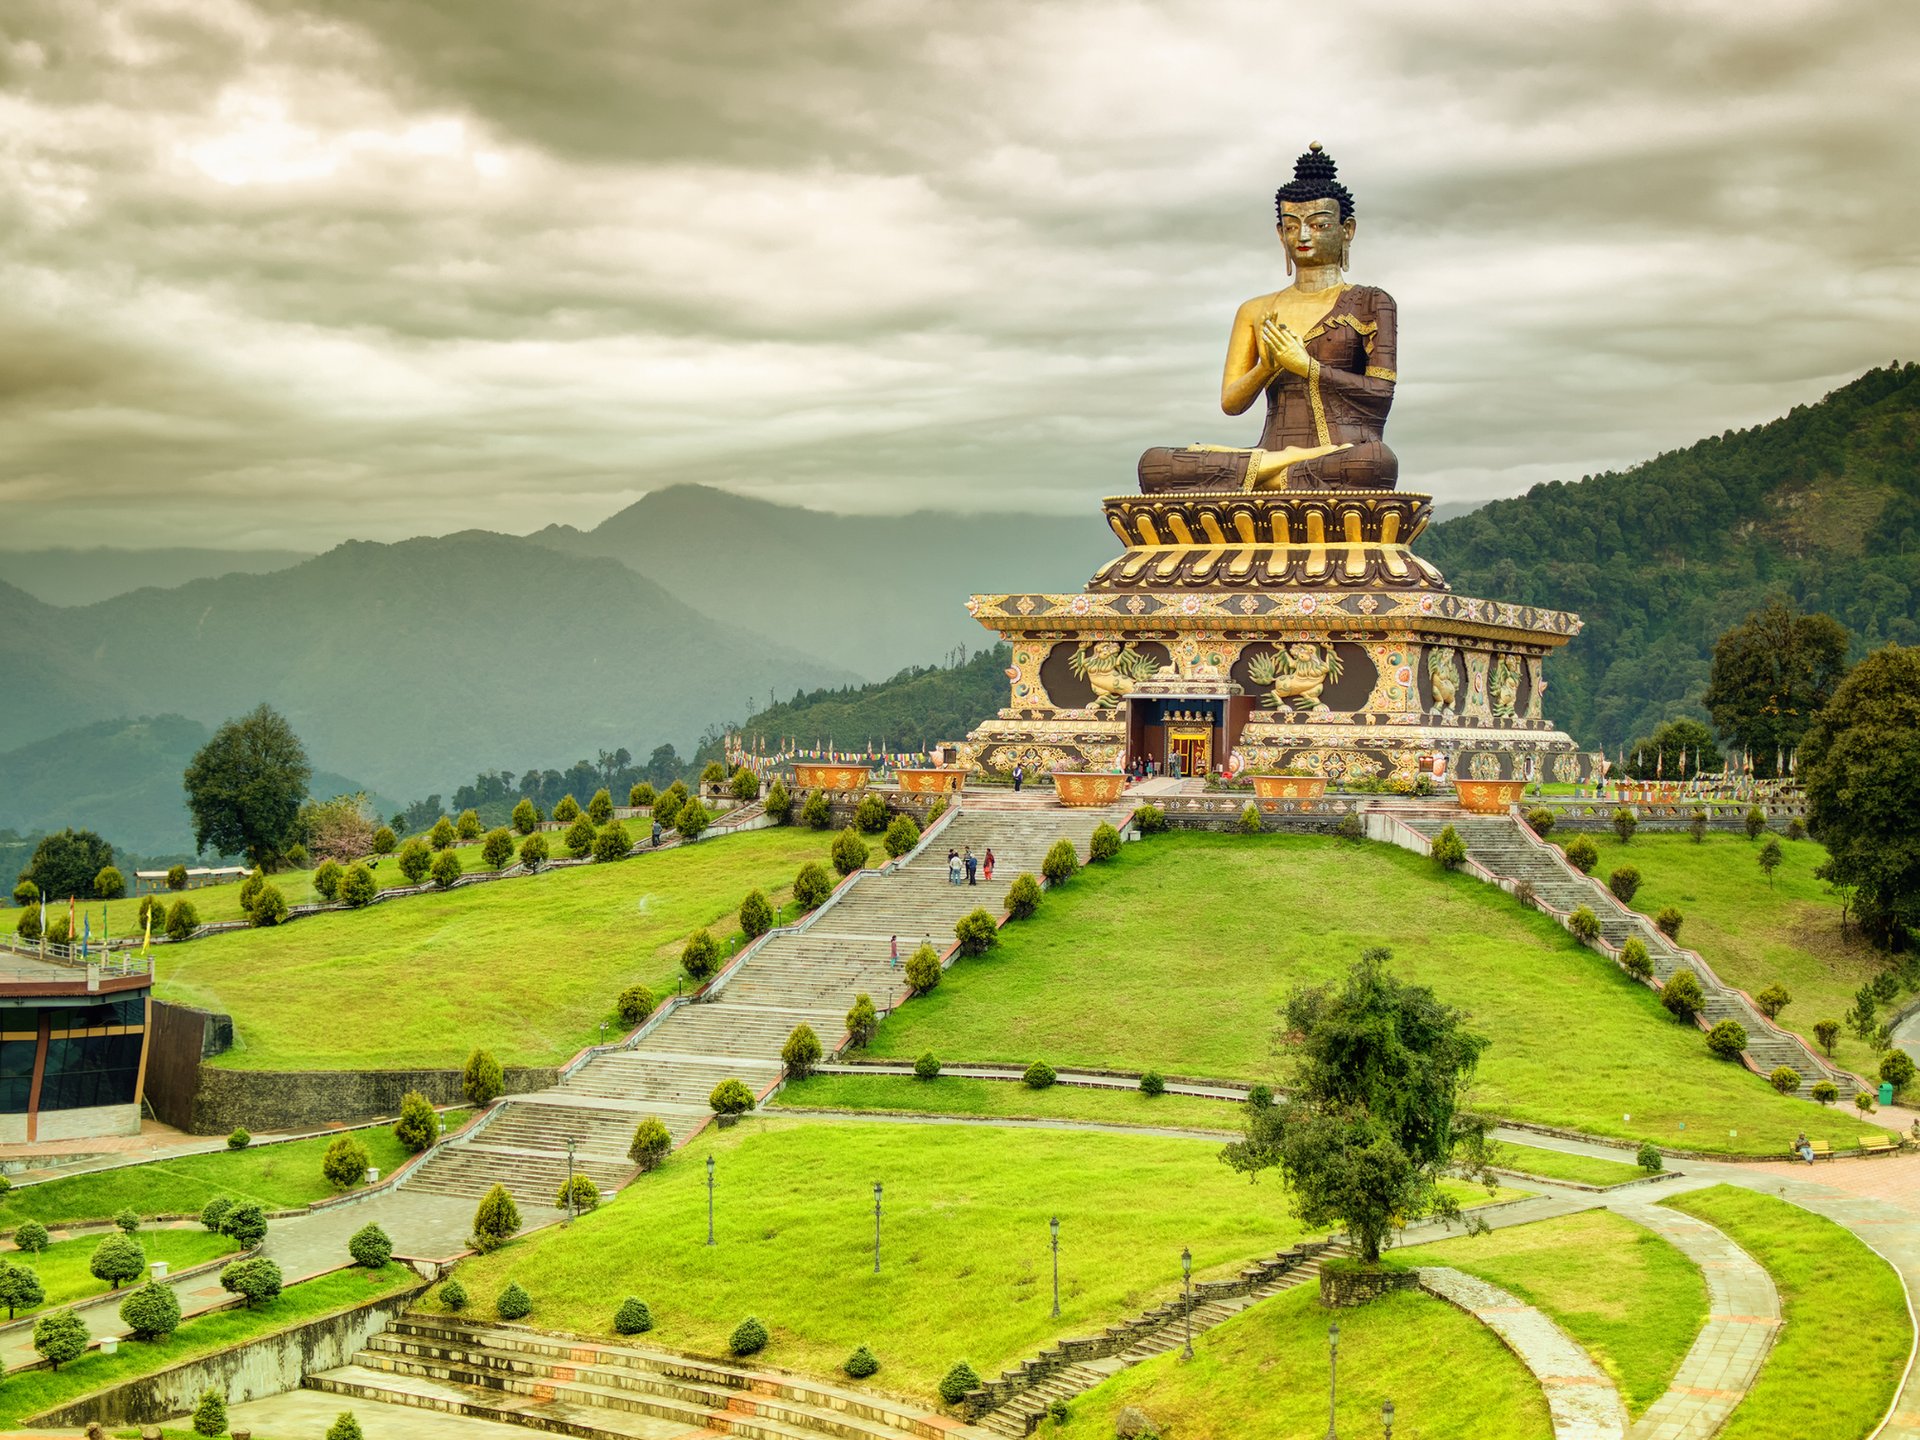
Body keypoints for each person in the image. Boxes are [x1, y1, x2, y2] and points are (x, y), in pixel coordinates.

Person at [1135, 143, 1398, 494]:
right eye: (1292, 226)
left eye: (1319, 225)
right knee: (1154, 464)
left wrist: (1307, 367)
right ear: (1280, 232)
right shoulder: (1254, 309)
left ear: (1346, 229)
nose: (1303, 236)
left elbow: (1381, 393)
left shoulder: (1371, 302)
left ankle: (1260, 477)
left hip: (1342, 453)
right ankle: (1282, 466)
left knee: (1376, 463)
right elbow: (1231, 403)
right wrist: (1266, 368)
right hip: (1273, 451)